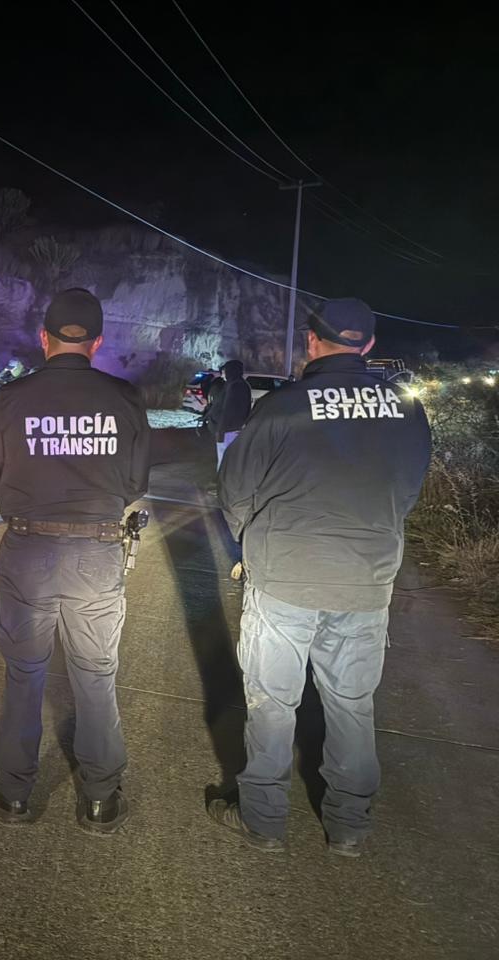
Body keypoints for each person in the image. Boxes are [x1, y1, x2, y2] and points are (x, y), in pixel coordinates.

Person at [209, 298, 431, 856]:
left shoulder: (281, 406)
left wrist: (252, 542)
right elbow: (407, 490)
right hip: (365, 580)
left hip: (284, 576)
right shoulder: (407, 410)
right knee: (353, 704)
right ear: (369, 345)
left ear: (311, 342)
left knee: (271, 703)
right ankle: (349, 824)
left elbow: (234, 490)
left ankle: (263, 821)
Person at [0, 288, 151, 832]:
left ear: (44, 338)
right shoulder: (123, 398)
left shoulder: (11, 398)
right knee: (96, 674)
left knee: (25, 672)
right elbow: (135, 482)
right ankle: (99, 798)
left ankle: (13, 793)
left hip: (28, 548)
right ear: (96, 342)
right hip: (97, 551)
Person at [213, 359, 251, 468]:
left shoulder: (235, 386)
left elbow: (227, 411)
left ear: (231, 371)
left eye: (224, 372)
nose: (222, 375)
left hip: (228, 431)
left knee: (225, 461)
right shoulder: (239, 384)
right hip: (233, 430)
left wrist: (220, 432)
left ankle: (223, 478)